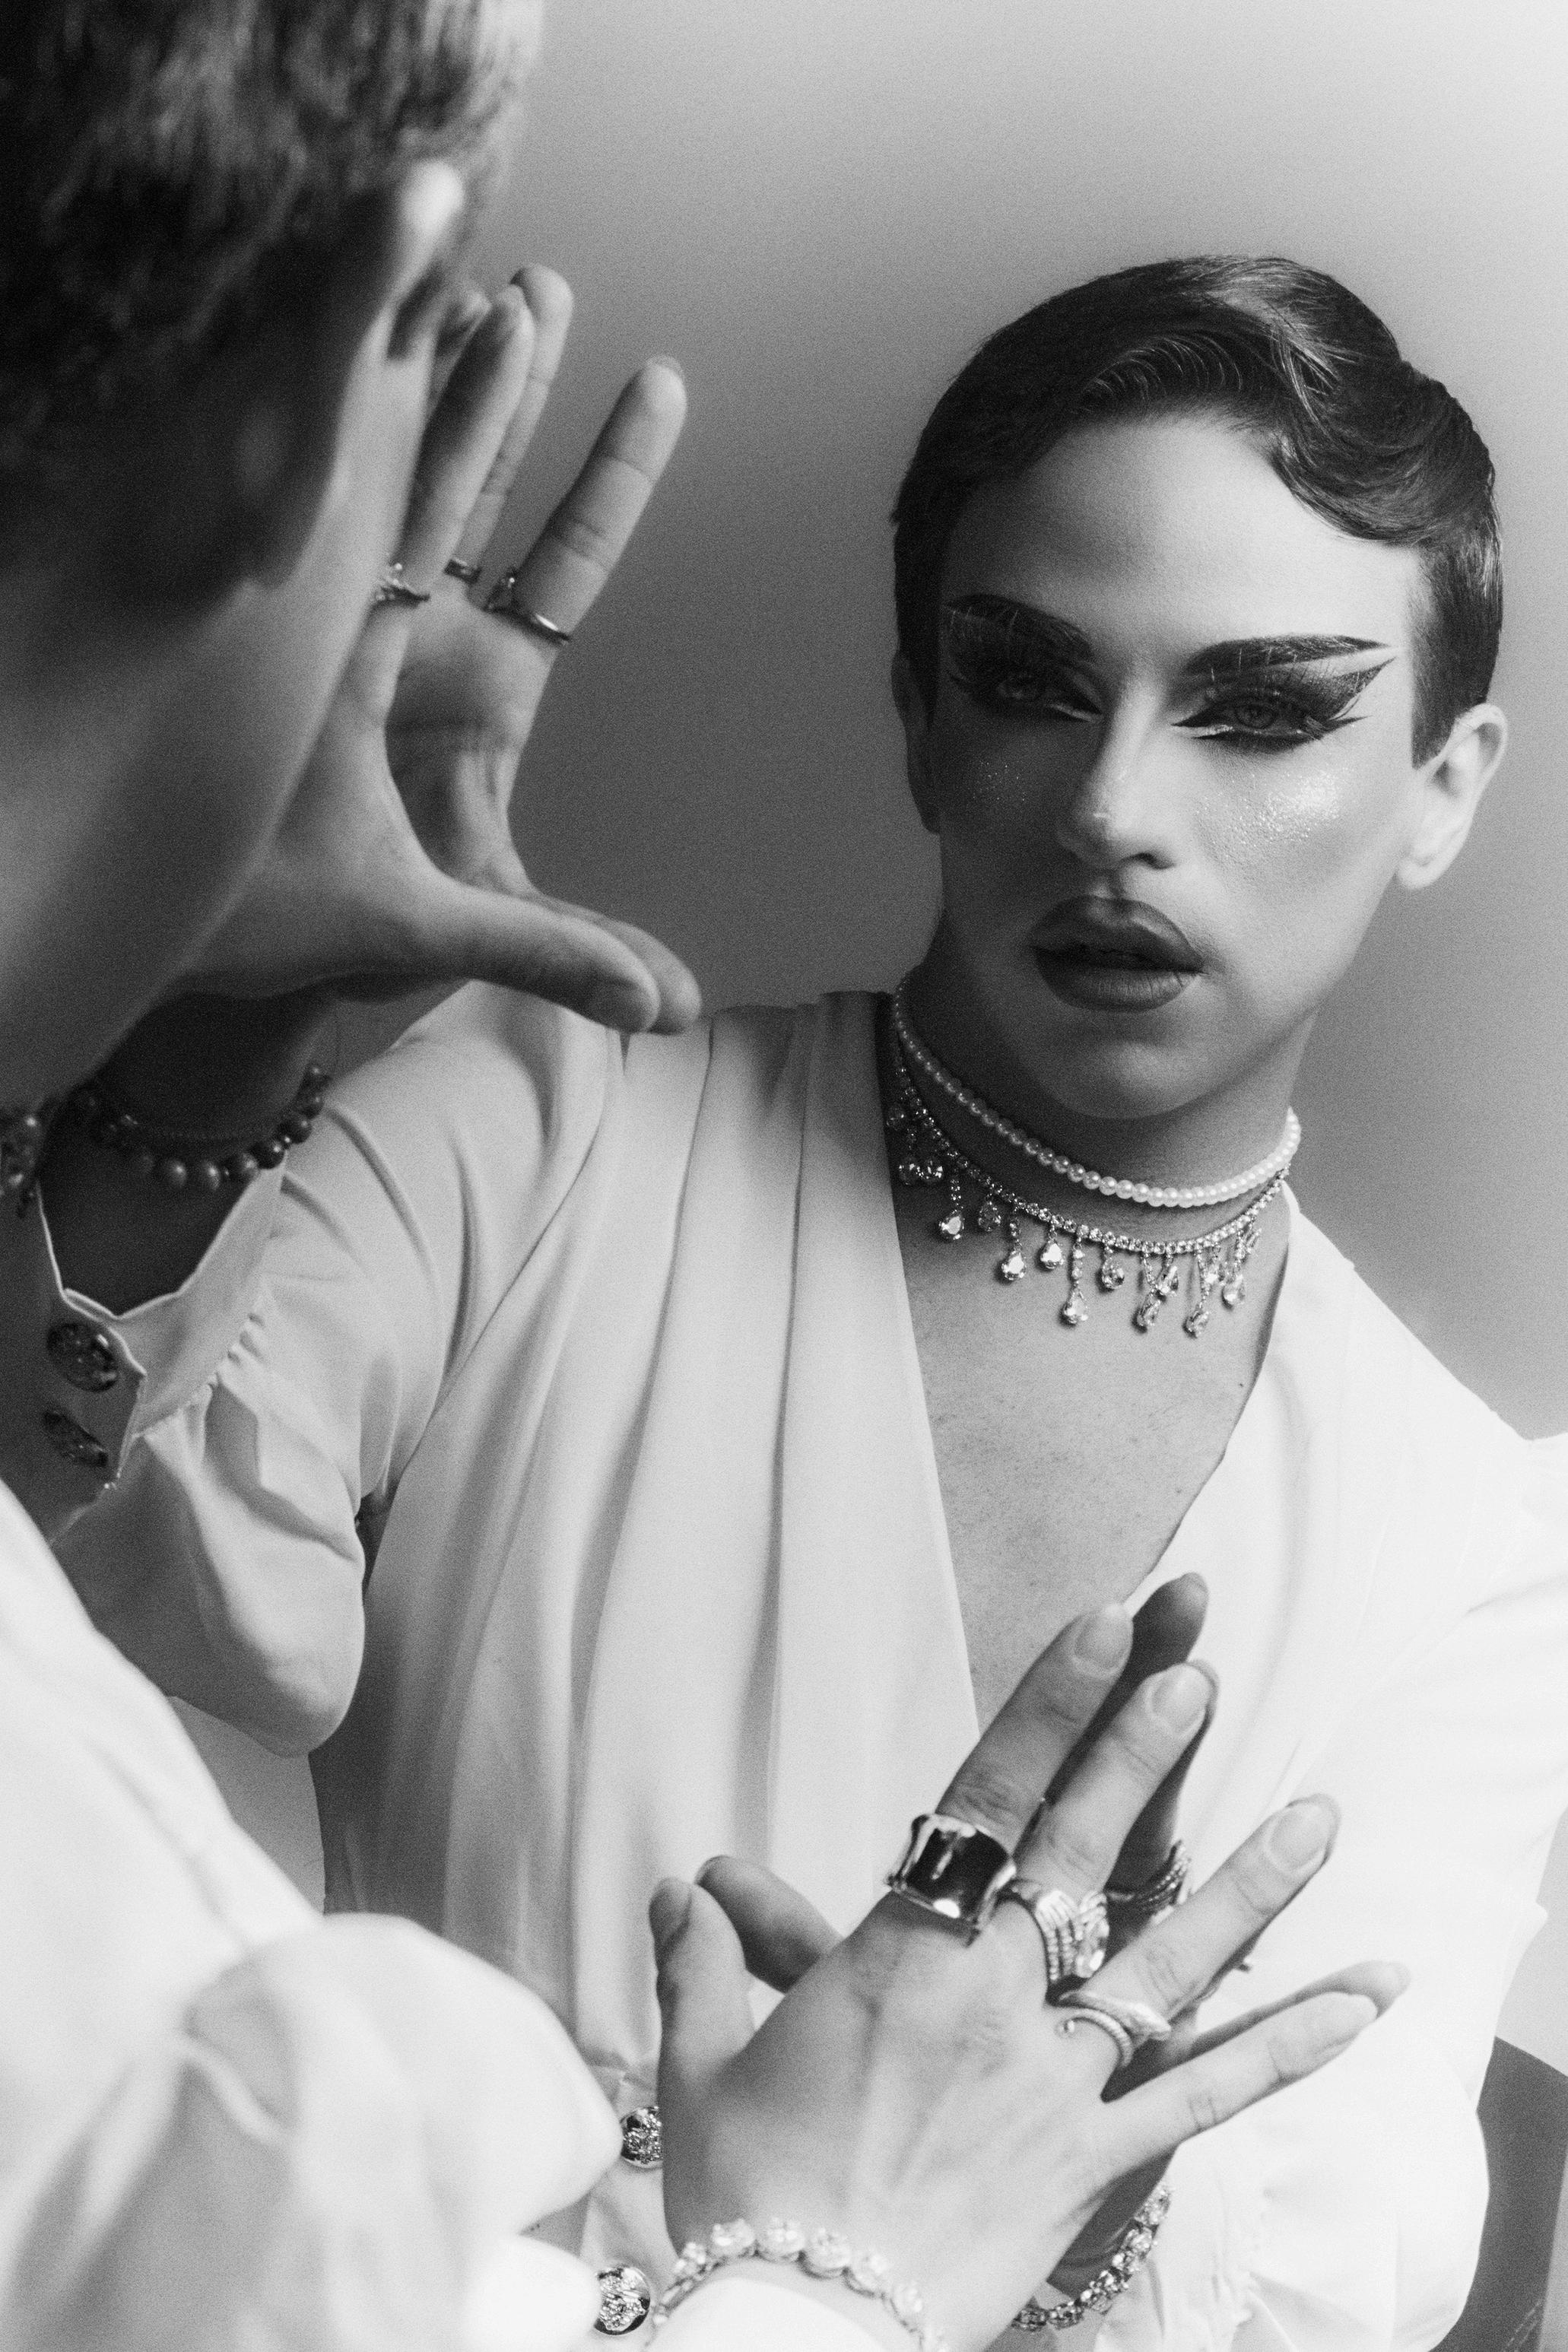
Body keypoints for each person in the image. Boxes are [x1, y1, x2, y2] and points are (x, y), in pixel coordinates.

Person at [11, 147, 1563, 2352]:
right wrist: (207, 1013)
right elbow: (98, 1604)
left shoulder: (1472, 1543)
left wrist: (1053, 2181)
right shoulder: (542, 1129)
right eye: (1029, 681)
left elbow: (1359, 2260)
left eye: (1264, 708)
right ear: (922, 721)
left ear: (1447, 784)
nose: (1117, 809)